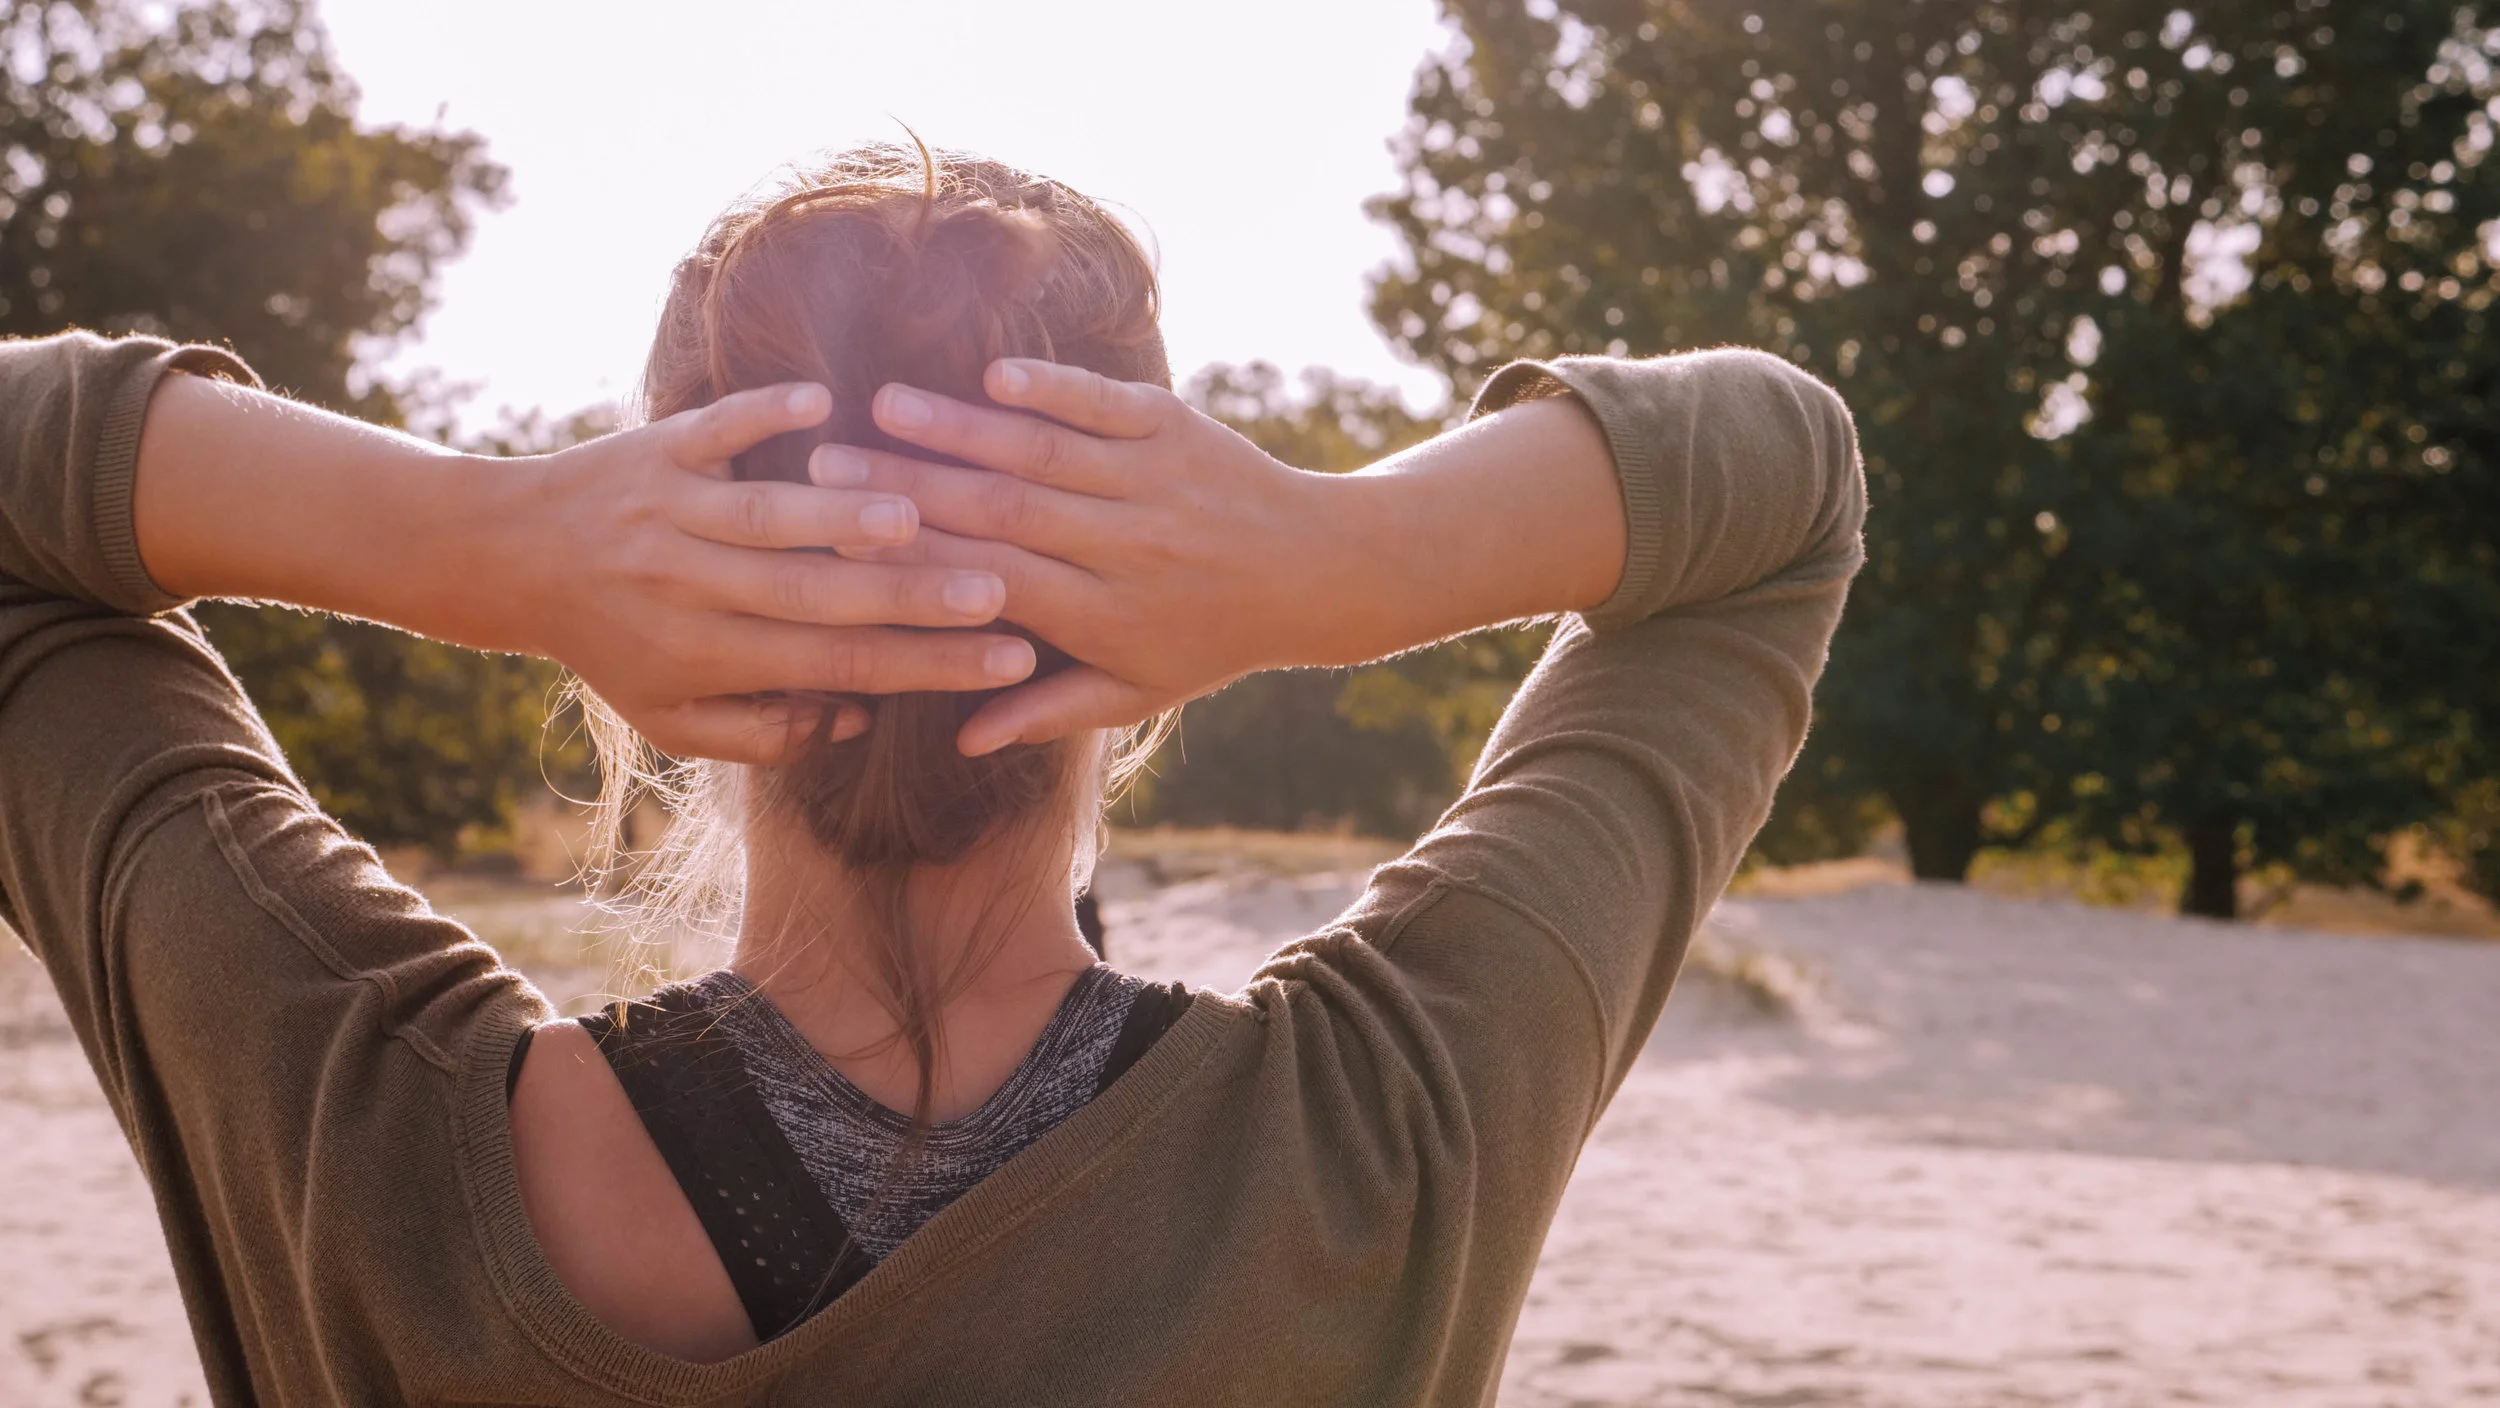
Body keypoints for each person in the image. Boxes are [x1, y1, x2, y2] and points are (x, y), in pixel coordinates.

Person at [0, 142, 1862, 1403]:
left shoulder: (366, 1141)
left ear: (650, 654)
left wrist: (496, 544)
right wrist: (1330, 560)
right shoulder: (1373, 1148)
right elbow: (1779, 491)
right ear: (1143, 665)